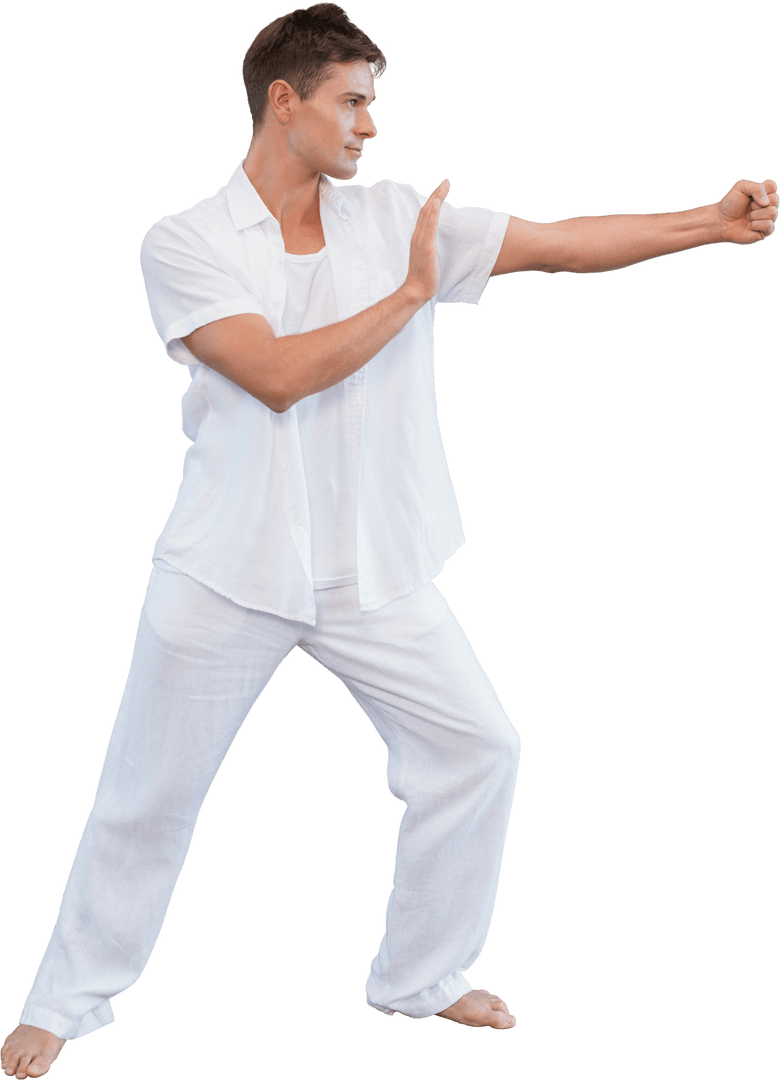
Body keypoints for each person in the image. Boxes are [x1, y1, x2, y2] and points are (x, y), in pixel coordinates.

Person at [2, 2, 776, 1075]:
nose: (371, 125)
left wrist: (710, 223)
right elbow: (274, 374)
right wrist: (415, 292)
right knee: (146, 799)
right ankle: (62, 1001)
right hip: (226, 570)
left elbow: (558, 245)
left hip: (374, 570)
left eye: (373, 105)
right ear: (285, 101)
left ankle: (420, 976)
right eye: (353, 102)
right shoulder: (185, 241)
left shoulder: (395, 217)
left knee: (479, 750)